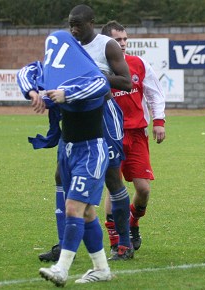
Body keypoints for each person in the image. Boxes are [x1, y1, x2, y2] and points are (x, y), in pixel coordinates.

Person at [38, 4, 134, 262]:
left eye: (77, 25)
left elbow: (127, 81)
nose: (73, 29)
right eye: (70, 25)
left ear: (91, 23)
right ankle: (63, 244)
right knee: (61, 173)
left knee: (112, 177)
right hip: (73, 115)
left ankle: (124, 244)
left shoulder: (107, 46)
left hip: (102, 116)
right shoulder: (67, 46)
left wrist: (97, 76)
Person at [17, 30, 112, 286]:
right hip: (68, 150)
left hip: (91, 151)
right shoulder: (57, 69)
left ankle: (62, 269)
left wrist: (65, 93)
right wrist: (32, 93)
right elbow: (27, 71)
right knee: (88, 212)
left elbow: (101, 85)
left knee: (73, 207)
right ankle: (102, 269)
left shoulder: (90, 73)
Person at [100, 20, 166, 255]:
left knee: (143, 189)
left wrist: (159, 121)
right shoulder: (98, 67)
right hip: (109, 134)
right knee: (113, 187)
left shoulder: (138, 64)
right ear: (107, 43)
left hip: (137, 134)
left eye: (125, 40)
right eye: (118, 41)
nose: (123, 44)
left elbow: (154, 94)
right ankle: (116, 240)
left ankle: (133, 221)